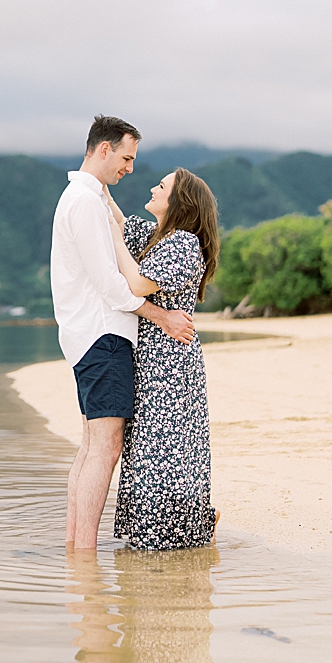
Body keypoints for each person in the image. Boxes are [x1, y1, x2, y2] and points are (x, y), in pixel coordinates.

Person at [50, 115, 195, 550]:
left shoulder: (87, 196)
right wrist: (161, 316)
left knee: (93, 445)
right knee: (106, 447)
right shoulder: (83, 202)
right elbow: (111, 283)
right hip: (102, 336)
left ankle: (77, 550)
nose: (130, 168)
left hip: (89, 336)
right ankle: (85, 553)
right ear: (104, 149)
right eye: (127, 158)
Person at [106, 168, 221, 549]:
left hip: (170, 361)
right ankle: (184, 526)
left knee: (164, 446)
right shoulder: (160, 238)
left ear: (180, 201)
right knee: (151, 446)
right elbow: (120, 222)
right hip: (152, 357)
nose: (153, 188)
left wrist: (118, 240)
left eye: (162, 186)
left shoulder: (184, 243)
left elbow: (137, 284)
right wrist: (96, 183)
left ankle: (178, 532)